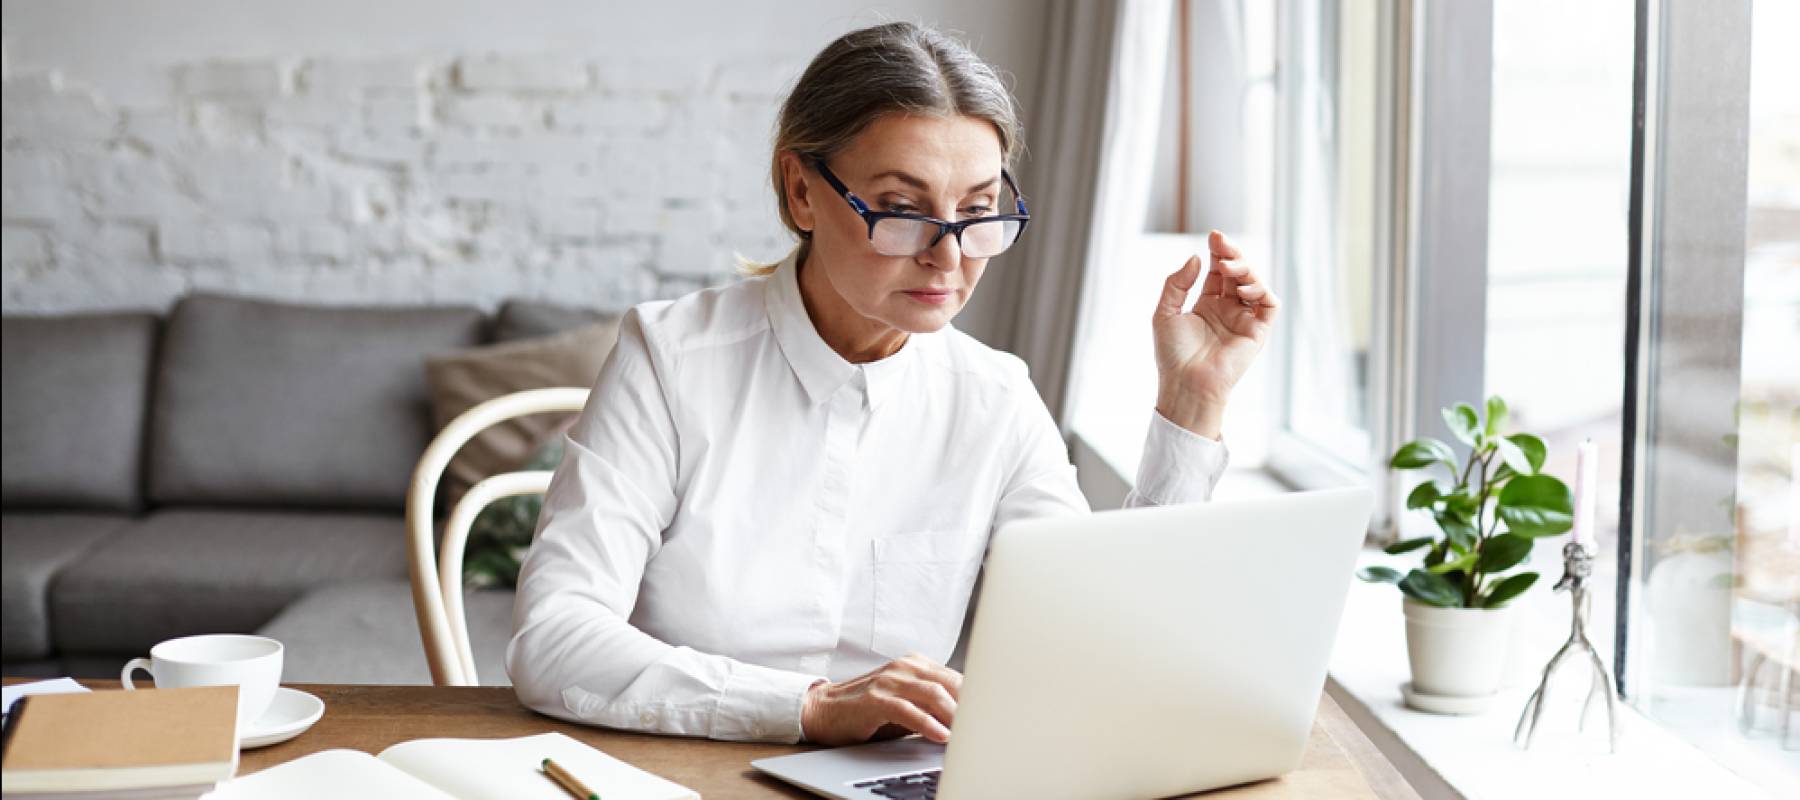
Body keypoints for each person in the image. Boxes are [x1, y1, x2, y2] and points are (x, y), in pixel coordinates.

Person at [507, 21, 1279, 746]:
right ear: (802, 191)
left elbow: (1098, 648)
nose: (949, 257)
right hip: (681, 769)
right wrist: (810, 708)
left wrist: (1192, 403)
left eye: (977, 210)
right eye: (903, 209)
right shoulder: (670, 359)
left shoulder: (996, 399)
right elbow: (554, 637)